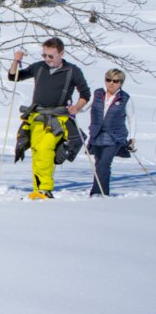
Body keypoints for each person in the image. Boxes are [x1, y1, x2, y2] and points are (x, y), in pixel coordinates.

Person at [9, 38, 90, 199]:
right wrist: (16, 61)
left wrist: (77, 107)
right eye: (44, 55)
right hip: (37, 117)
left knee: (45, 148)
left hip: (58, 119)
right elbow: (14, 77)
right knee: (37, 152)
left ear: (61, 53)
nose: (47, 59)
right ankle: (38, 189)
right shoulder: (39, 67)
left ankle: (45, 188)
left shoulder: (72, 71)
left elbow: (85, 94)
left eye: (51, 56)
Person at [86, 68, 132, 196]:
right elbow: (83, 107)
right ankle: (98, 191)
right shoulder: (97, 94)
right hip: (97, 134)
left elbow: (132, 119)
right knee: (99, 163)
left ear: (121, 83)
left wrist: (132, 139)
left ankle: (100, 193)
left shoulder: (125, 98)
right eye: (108, 80)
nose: (111, 83)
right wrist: (73, 109)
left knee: (104, 163)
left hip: (115, 136)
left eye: (115, 81)